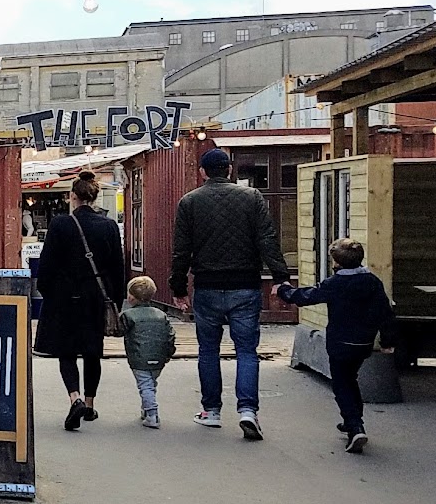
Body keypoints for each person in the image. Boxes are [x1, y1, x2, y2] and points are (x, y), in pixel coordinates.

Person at [169, 147, 290, 440]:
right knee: (246, 351)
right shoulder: (252, 198)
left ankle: (211, 411)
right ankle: (248, 411)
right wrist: (280, 277)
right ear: (230, 169)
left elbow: (181, 250)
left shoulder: (190, 202)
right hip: (245, 286)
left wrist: (178, 288)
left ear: (202, 173)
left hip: (208, 287)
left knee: (208, 351)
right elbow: (267, 239)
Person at [276, 238, 397, 453]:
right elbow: (386, 313)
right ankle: (351, 420)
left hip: (340, 344)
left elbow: (306, 297)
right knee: (351, 379)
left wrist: (283, 291)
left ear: (336, 263)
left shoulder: (335, 284)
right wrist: (388, 341)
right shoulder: (373, 282)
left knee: (342, 383)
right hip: (363, 344)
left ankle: (355, 426)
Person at [35, 171, 125, 432]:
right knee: (92, 351)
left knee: (67, 352)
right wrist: (114, 301)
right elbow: (117, 268)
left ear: (72, 196)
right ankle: (89, 403)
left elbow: (47, 263)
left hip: (65, 297)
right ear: (94, 196)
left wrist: (47, 292)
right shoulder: (108, 226)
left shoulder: (61, 224)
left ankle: (74, 398)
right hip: (96, 297)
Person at [118, 276, 176, 429]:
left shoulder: (128, 315)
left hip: (138, 357)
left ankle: (152, 414)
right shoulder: (161, 315)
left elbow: (118, 331)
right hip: (159, 357)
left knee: (145, 385)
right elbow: (170, 335)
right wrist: (169, 353)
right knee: (151, 383)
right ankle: (146, 408)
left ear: (131, 297)